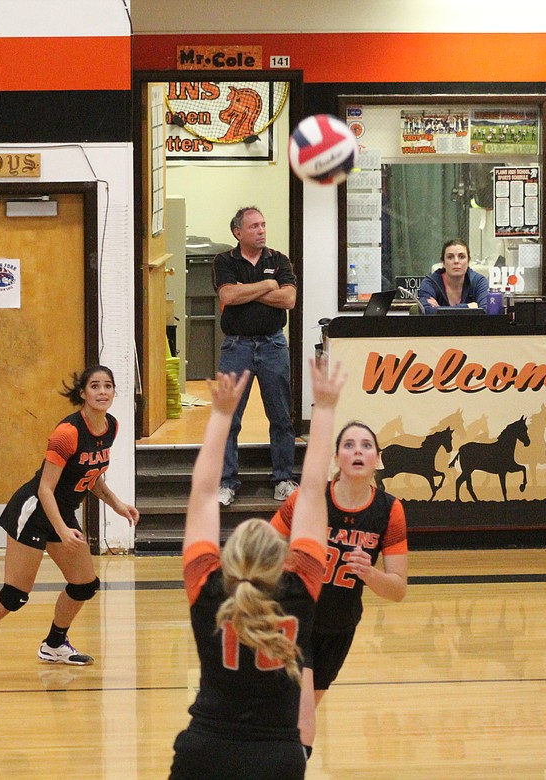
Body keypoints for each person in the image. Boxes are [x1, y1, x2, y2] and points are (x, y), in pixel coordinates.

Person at [169, 358, 344, 780]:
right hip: (276, 759)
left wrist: (221, 414)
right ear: (282, 560)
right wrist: (324, 408)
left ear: (227, 559)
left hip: (204, 751)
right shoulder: (299, 590)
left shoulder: (208, 588)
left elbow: (205, 492)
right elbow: (315, 491)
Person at [0, 365, 139, 683]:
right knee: (14, 595)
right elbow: (45, 488)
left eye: (108, 386)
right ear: (83, 393)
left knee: (84, 585)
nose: (103, 391)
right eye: (95, 386)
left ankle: (54, 644)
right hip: (33, 511)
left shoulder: (110, 427)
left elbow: (93, 476)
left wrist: (117, 504)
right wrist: (60, 529)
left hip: (61, 514)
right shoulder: (67, 432)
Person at [271, 420, 408, 760]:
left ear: (377, 459)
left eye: (366, 445)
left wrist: (370, 573)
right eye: (348, 445)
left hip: (340, 626)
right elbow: (262, 548)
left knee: (292, 717)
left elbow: (398, 590)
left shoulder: (390, 511)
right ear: (336, 458)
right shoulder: (308, 498)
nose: (358, 450)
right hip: (294, 619)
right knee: (302, 720)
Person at [213, 206, 298, 507]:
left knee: (280, 416)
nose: (261, 230)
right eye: (254, 226)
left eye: (263, 225)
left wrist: (245, 291)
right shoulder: (225, 261)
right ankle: (226, 482)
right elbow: (227, 296)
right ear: (238, 232)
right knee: (228, 418)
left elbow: (288, 299)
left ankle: (283, 479)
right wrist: (266, 285)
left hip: (274, 346)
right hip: (237, 348)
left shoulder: (279, 260)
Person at [417, 238, 489, 312]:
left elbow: (486, 310)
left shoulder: (479, 282)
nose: (456, 261)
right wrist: (468, 306)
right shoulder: (430, 283)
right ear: (443, 263)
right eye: (450, 257)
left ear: (468, 262)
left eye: (462, 257)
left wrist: (440, 309)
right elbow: (425, 310)